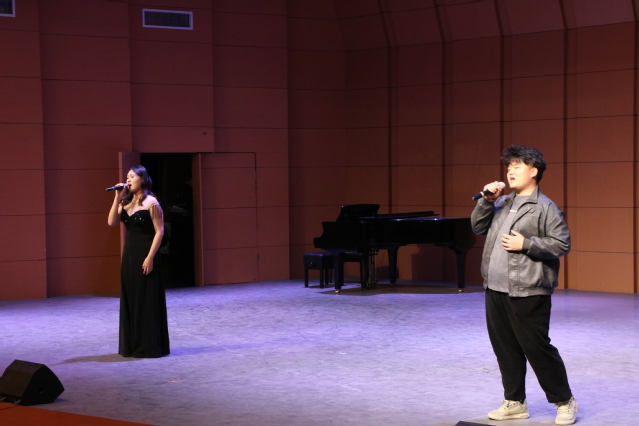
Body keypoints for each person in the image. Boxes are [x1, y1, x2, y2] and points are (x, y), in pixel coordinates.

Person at [470, 146, 577, 425]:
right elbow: (478, 227)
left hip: (528, 289)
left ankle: (564, 400)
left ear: (534, 171)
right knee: (505, 348)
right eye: (509, 167)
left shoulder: (546, 207)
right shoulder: (502, 202)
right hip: (495, 288)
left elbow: (562, 244)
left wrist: (526, 244)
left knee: (537, 348)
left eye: (517, 166)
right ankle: (514, 402)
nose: (510, 171)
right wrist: (486, 201)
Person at [107, 165, 170, 358]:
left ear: (142, 179)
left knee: (146, 299)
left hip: (146, 254)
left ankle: (149, 346)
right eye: (127, 177)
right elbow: (111, 222)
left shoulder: (151, 202)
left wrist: (150, 257)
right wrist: (117, 196)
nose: (128, 180)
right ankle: (132, 345)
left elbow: (160, 231)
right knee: (132, 297)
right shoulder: (125, 201)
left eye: (132, 176)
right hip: (130, 256)